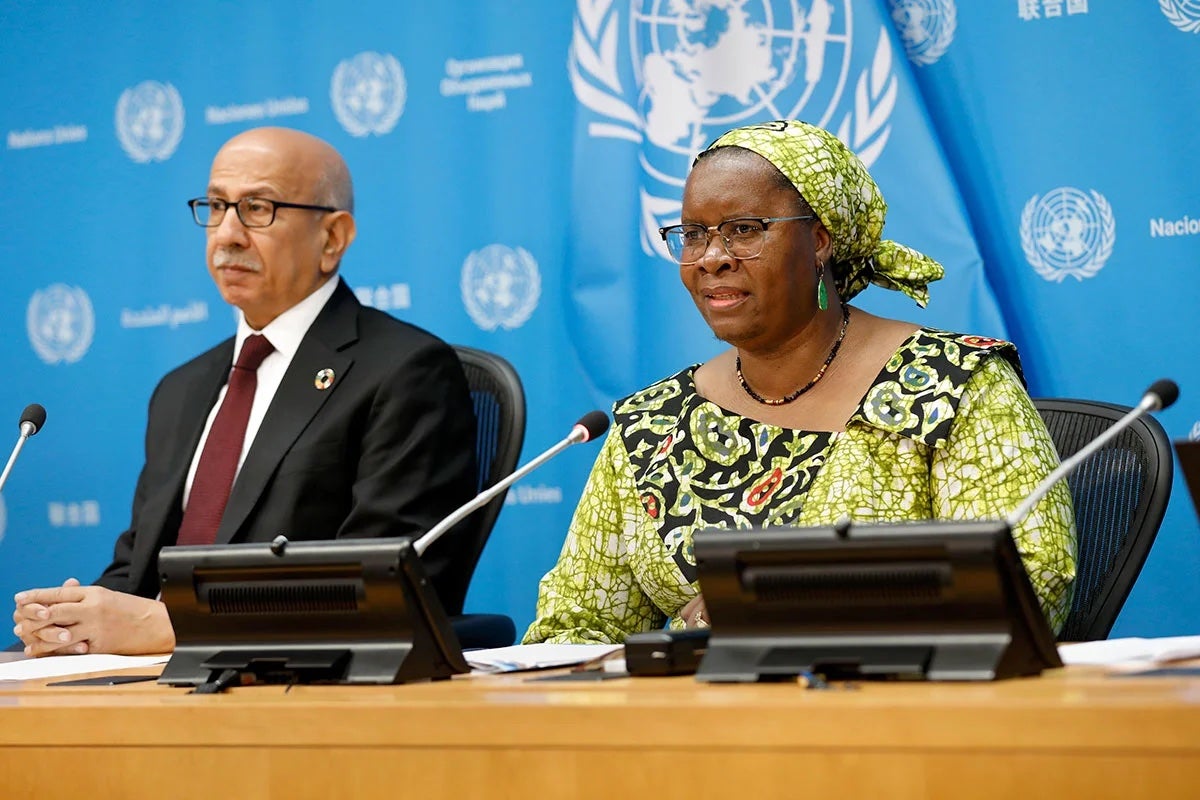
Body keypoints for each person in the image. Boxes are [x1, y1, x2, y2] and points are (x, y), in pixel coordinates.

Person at [524, 119, 1076, 644]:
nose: (711, 258)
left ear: (819, 240)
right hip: (701, 729)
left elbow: (1026, 588)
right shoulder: (652, 424)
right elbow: (574, 627)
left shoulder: (951, 386)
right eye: (694, 235)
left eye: (744, 230)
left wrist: (780, 608)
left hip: (897, 725)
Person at [13, 127, 477, 656]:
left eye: (257, 209)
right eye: (215, 206)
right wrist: (72, 621)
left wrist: (176, 626)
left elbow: (378, 583)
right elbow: (138, 569)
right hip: (149, 691)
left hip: (298, 694)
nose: (227, 233)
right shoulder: (181, 389)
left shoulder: (405, 371)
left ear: (332, 238)